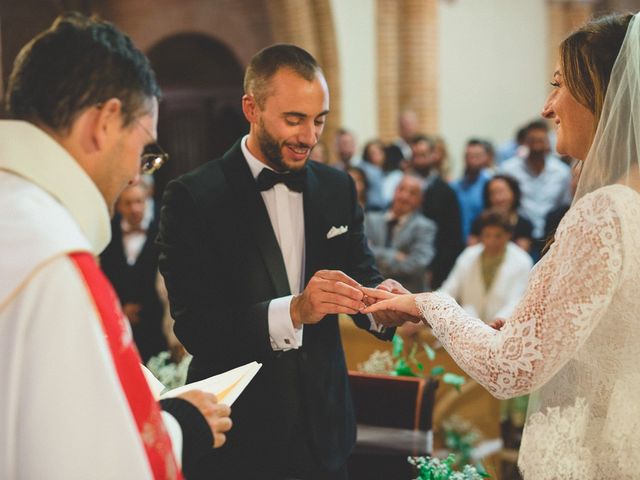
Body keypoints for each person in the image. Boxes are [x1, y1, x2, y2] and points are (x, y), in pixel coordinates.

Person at [362, 12, 640, 479]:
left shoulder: (605, 211)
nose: (548, 106)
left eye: (559, 85)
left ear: (603, 93)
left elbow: (511, 369)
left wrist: (430, 305)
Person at [156, 44, 413, 479]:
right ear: (250, 108)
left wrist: (381, 306)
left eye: (319, 120)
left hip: (325, 433)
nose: (310, 137)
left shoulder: (336, 188)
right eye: (294, 119)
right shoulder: (193, 198)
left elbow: (361, 275)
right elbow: (198, 328)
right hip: (238, 436)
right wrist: (295, 310)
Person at [0, 13, 232, 479]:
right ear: (105, 122)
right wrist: (179, 425)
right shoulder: (52, 264)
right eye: (144, 147)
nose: (136, 173)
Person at [100, 183, 167, 363]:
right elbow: (103, 278)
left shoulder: (163, 230)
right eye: (128, 203)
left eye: (139, 201)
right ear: (118, 206)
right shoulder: (107, 233)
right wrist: (120, 309)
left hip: (156, 328)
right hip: (120, 329)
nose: (134, 208)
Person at [439, 209, 532, 324]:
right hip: (468, 327)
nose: (491, 241)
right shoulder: (468, 255)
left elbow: (516, 300)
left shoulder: (522, 261)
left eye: (498, 236)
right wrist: (430, 308)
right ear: (481, 235)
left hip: (503, 328)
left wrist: (497, 322)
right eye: (487, 235)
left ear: (508, 235)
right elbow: (449, 289)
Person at [499, 119, 571, 259]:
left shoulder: (561, 172)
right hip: (518, 237)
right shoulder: (509, 170)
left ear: (548, 142)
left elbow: (564, 205)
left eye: (541, 140)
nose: (537, 145)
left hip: (551, 238)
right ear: (525, 143)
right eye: (533, 140)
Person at [365, 174, 437, 293]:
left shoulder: (425, 227)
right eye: (401, 189)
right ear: (394, 191)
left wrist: (376, 255)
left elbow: (418, 264)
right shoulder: (371, 220)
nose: (404, 196)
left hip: (407, 295)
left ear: (421, 199)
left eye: (412, 193)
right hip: (373, 291)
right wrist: (394, 256)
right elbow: (362, 253)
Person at [410, 134, 464, 289]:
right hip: (406, 265)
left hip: (435, 265)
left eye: (423, 155)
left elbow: (452, 236)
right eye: (415, 155)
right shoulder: (403, 188)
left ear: (434, 156)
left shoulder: (445, 191)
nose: (419, 160)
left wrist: (435, 268)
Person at [468, 174, 534, 253]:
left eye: (502, 192)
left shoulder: (524, 224)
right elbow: (471, 251)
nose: (498, 198)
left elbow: (522, 253)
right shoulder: (479, 222)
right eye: (493, 193)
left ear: (514, 193)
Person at [450, 139, 494, 241]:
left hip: (483, 240)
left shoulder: (491, 184)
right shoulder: (455, 187)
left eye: (477, 156)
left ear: (486, 158)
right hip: (457, 241)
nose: (473, 160)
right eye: (470, 156)